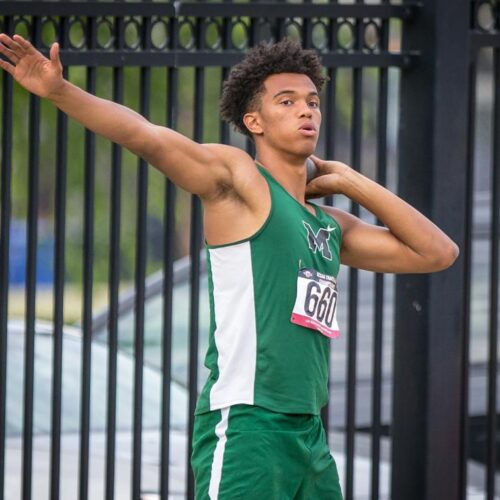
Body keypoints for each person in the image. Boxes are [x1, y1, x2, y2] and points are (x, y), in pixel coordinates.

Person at [0, 34, 458, 499]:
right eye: (288, 101)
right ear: (253, 120)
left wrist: (353, 181)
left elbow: (437, 253)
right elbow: (146, 137)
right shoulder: (239, 180)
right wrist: (61, 91)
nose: (307, 111)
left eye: (313, 102)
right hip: (247, 424)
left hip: (308, 433)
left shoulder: (328, 225)